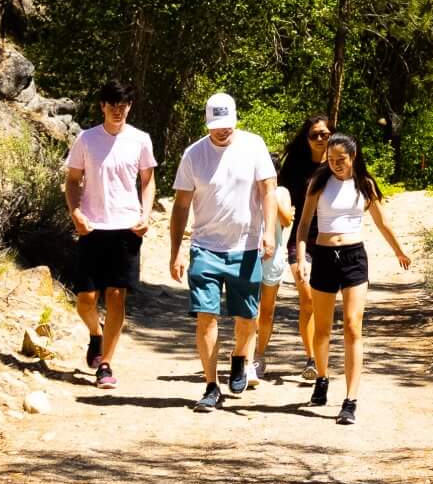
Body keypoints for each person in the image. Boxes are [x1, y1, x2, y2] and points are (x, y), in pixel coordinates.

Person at [167, 92, 276, 413]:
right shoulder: (193, 155)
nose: (222, 131)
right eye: (216, 126)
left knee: (247, 318)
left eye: (227, 125)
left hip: (246, 247)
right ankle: (211, 385)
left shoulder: (254, 145)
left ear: (236, 119)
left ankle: (240, 357)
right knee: (206, 317)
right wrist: (176, 251)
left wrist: (269, 232)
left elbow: (268, 191)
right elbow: (181, 205)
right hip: (205, 248)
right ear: (207, 123)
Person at [295, 130, 410, 423]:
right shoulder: (318, 182)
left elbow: (382, 223)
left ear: (353, 157)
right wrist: (302, 256)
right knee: (322, 330)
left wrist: (399, 251)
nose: (335, 164)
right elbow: (304, 223)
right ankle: (322, 378)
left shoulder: (365, 184)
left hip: (353, 258)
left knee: (352, 327)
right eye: (331, 159)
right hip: (322, 257)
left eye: (340, 159)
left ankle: (350, 400)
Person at [61, 79, 155, 391]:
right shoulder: (86, 140)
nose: (118, 110)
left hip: (126, 228)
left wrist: (146, 214)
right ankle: (96, 334)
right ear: (102, 106)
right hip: (92, 227)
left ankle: (105, 364)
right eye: (112, 104)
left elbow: (148, 181)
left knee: (116, 297)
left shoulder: (140, 140)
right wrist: (75, 213)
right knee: (86, 299)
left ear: (129, 106)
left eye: (123, 104)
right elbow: (73, 180)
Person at [255, 118, 328, 384]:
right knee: (307, 298)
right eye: (315, 134)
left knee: (319, 305)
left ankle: (315, 358)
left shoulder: (338, 164)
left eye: (326, 134)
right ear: (306, 138)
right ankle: (310, 359)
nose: (321, 138)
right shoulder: (295, 168)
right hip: (301, 240)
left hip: (332, 242)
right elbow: (278, 201)